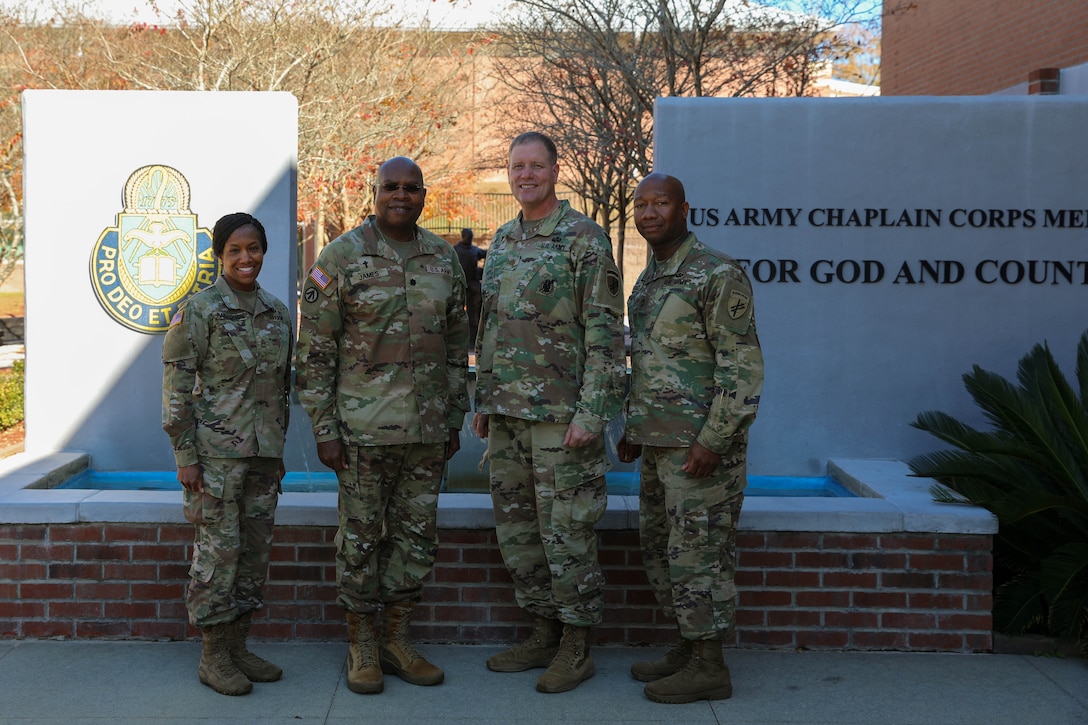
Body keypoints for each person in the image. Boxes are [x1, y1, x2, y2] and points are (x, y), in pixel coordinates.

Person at [295, 157, 470, 695]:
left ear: (423, 195)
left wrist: (454, 417)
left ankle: (397, 639)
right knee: (361, 540)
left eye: (410, 188)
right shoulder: (340, 257)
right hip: (361, 433)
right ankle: (362, 644)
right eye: (390, 187)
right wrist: (324, 429)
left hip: (426, 433)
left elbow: (457, 345)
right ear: (375, 193)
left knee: (417, 541)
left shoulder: (443, 258)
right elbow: (315, 353)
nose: (401, 195)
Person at [472, 131, 626, 694]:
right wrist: (484, 399)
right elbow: (490, 326)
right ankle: (541, 631)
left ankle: (576, 646)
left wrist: (593, 414)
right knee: (520, 535)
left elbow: (607, 335)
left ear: (556, 170)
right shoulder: (504, 239)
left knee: (568, 533)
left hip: (564, 422)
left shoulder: (584, 239)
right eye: (517, 166)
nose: (526, 175)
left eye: (536, 166)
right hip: (508, 418)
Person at [616, 173, 763, 704]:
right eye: (642, 204)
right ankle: (687, 643)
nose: (650, 212)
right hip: (658, 446)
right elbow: (650, 364)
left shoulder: (717, 274)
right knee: (661, 550)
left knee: (698, 552)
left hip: (701, 453)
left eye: (661, 203)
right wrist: (633, 430)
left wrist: (713, 441)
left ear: (685, 209)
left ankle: (710, 665)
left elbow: (742, 370)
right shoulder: (648, 280)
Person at [162, 212, 294, 697]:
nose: (246, 258)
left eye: (253, 248)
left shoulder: (278, 312)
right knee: (217, 557)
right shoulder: (198, 311)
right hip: (215, 460)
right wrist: (185, 455)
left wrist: (276, 451)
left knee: (254, 555)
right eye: (235, 249)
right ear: (220, 255)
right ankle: (212, 656)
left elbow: (280, 390)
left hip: (262, 458)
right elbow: (176, 388)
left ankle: (239, 647)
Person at [454, 227, 486, 346]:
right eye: (468, 236)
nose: (470, 239)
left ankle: (474, 338)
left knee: (475, 312)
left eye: (471, 237)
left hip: (473, 286)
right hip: (460, 285)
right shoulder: (455, 250)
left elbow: (487, 254)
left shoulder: (474, 250)